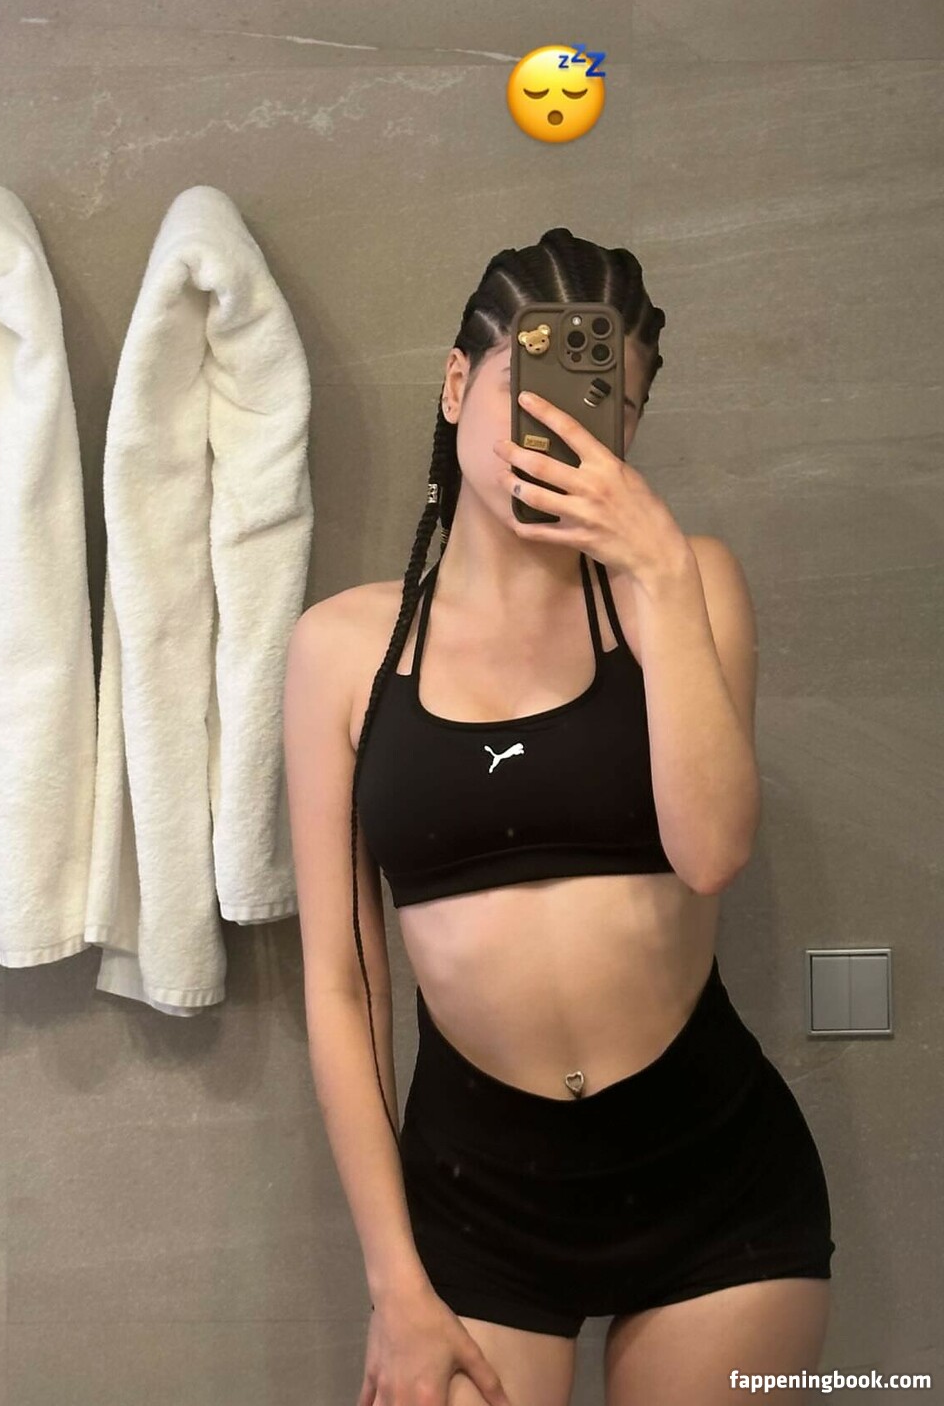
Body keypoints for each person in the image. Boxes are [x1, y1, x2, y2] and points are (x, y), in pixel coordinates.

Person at [284, 228, 835, 1406]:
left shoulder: (689, 584)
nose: (563, 426)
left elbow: (712, 851)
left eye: (603, 402)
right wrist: (395, 1282)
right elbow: (342, 982)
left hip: (715, 1182)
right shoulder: (342, 649)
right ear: (455, 384)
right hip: (474, 1201)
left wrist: (660, 575)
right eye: (524, 386)